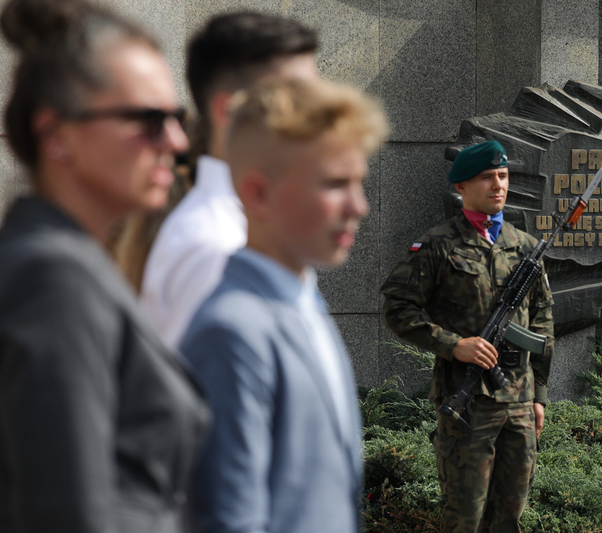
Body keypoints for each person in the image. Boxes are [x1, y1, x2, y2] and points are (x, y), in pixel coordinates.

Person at [0, 0, 210, 531]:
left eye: (176, 118)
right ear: (57, 136)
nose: (177, 142)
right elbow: (66, 511)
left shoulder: (65, 263)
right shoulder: (54, 277)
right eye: (148, 120)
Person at [180, 78, 387, 533]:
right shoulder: (231, 332)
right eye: (335, 183)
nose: (359, 206)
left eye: (359, 182)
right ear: (257, 194)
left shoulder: (302, 299)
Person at [380, 140, 555, 533]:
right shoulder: (438, 244)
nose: (498, 185)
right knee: (465, 518)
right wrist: (453, 345)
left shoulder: (524, 247)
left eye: (503, 176)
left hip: (519, 402)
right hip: (468, 403)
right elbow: (397, 309)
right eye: (487, 177)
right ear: (461, 187)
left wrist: (539, 396)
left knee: (509, 516)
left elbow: (542, 319)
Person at [138, 12, 319, 349]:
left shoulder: (242, 228)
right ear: (230, 112)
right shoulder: (215, 245)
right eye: (295, 101)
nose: (315, 119)